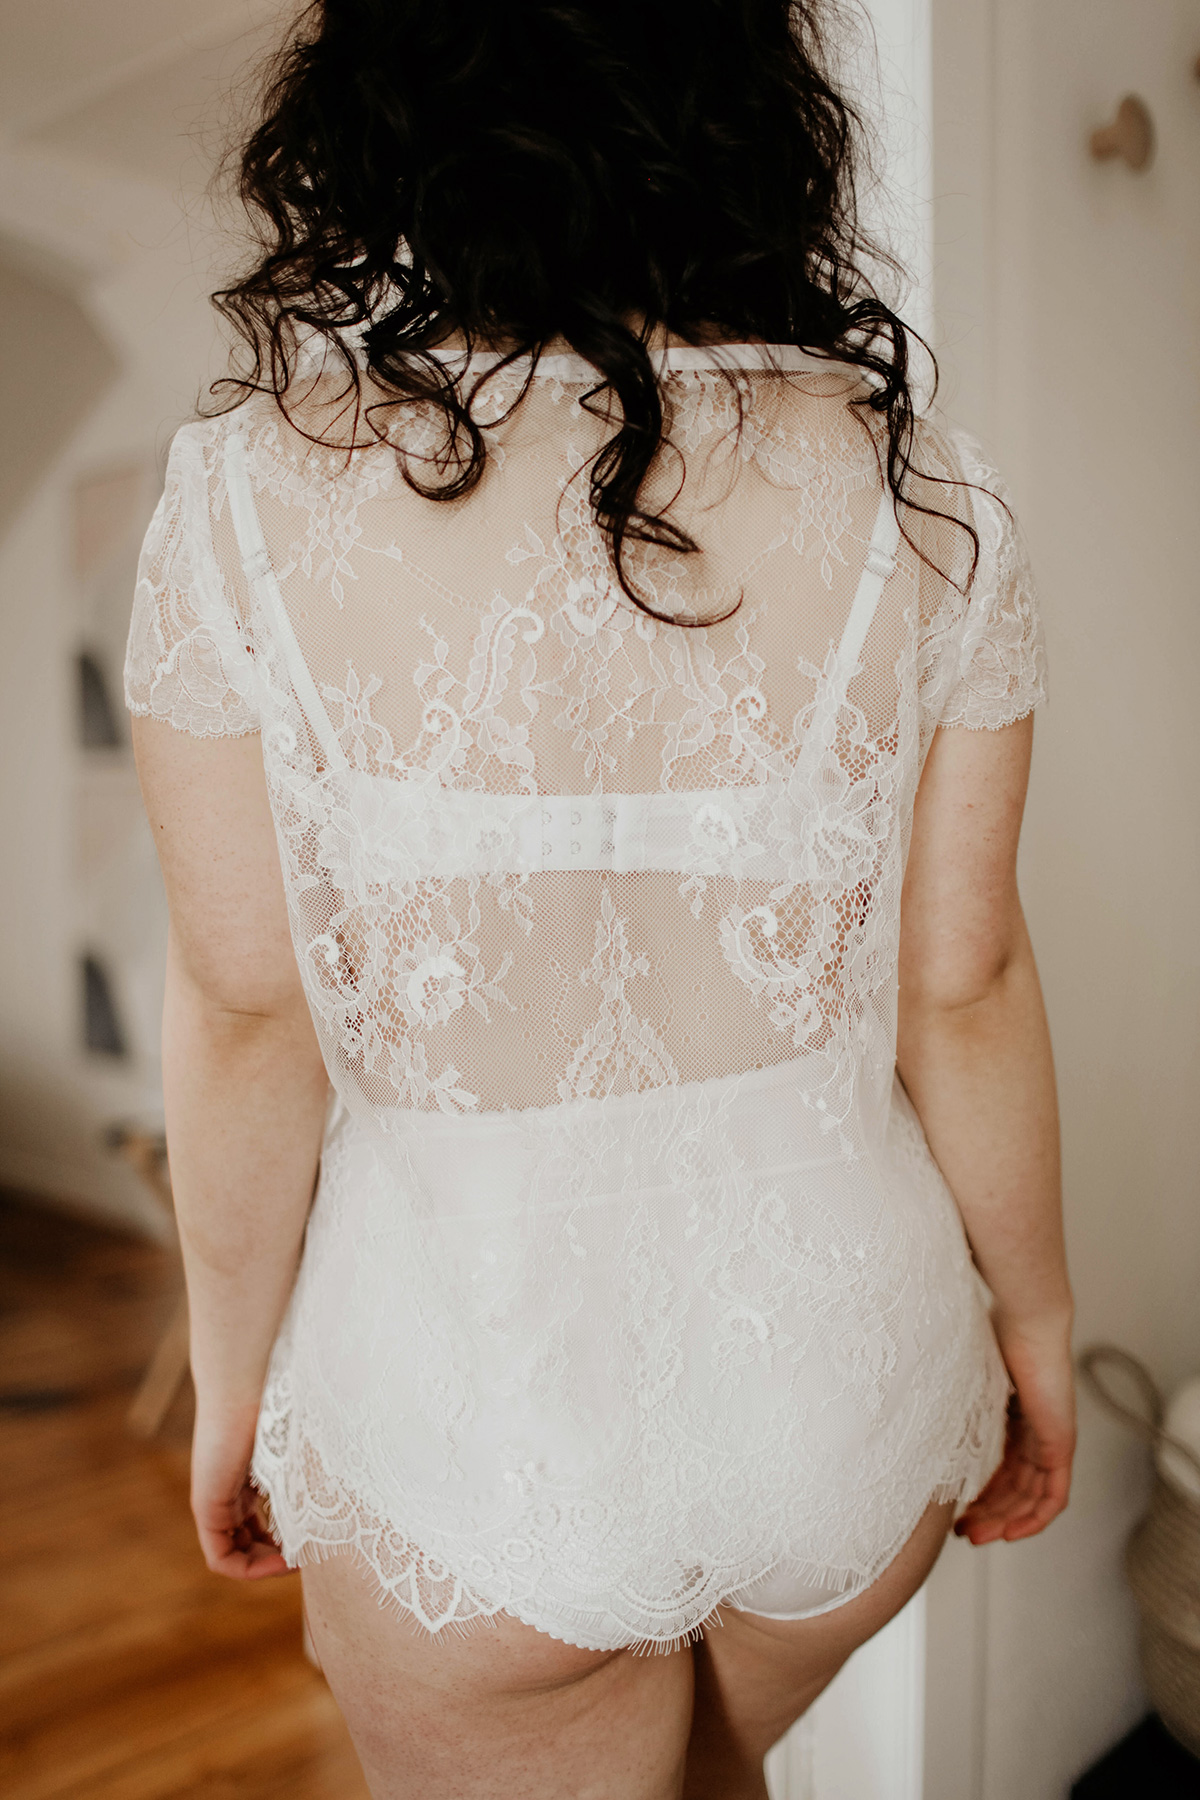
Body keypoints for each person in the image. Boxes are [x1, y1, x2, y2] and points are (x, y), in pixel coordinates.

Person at [125, 2, 1075, 1794]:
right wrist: (1037, 1329)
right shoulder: (924, 484)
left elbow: (249, 1011)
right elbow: (966, 982)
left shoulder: (245, 496)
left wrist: (231, 1384)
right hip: (845, 1382)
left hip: (476, 1425)